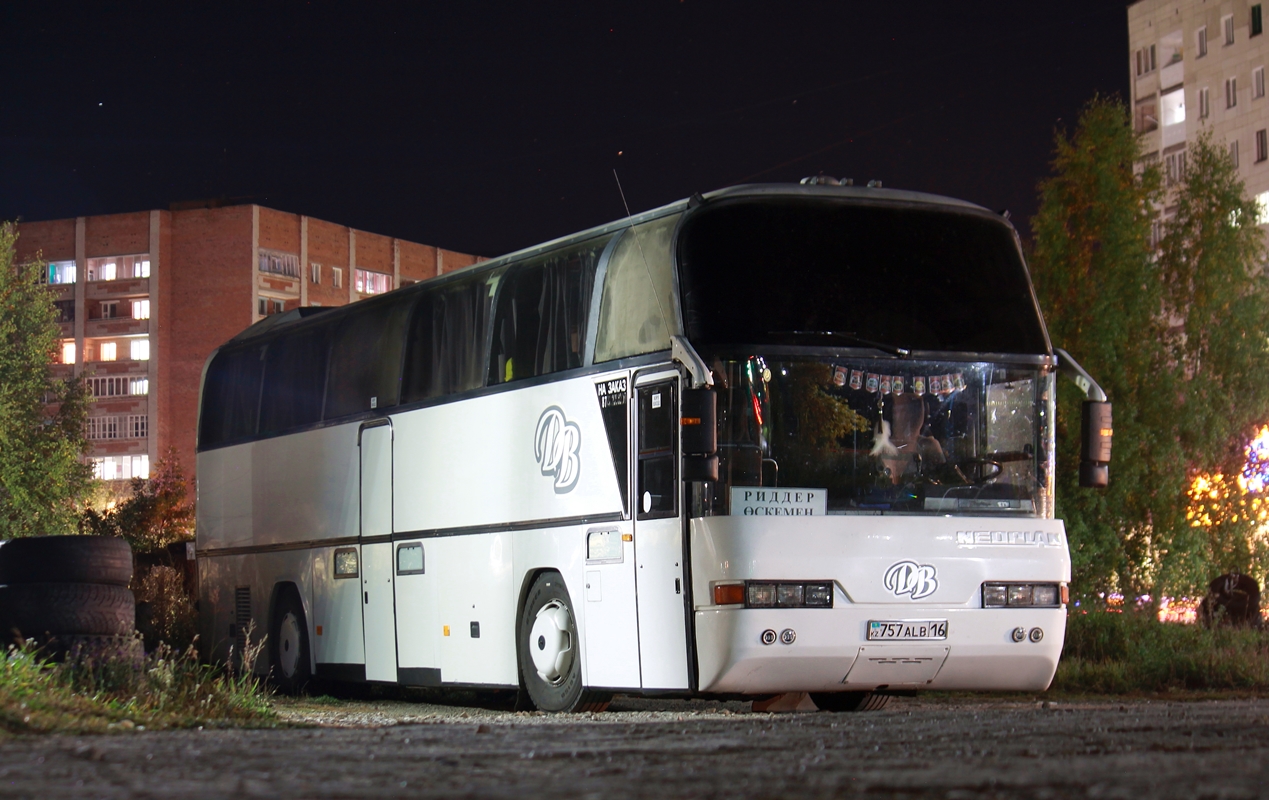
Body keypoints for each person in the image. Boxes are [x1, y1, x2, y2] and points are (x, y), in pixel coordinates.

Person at [874, 393, 945, 484]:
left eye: (904, 410)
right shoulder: (882, 445)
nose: (897, 414)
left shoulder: (929, 447)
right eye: (895, 409)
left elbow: (941, 488)